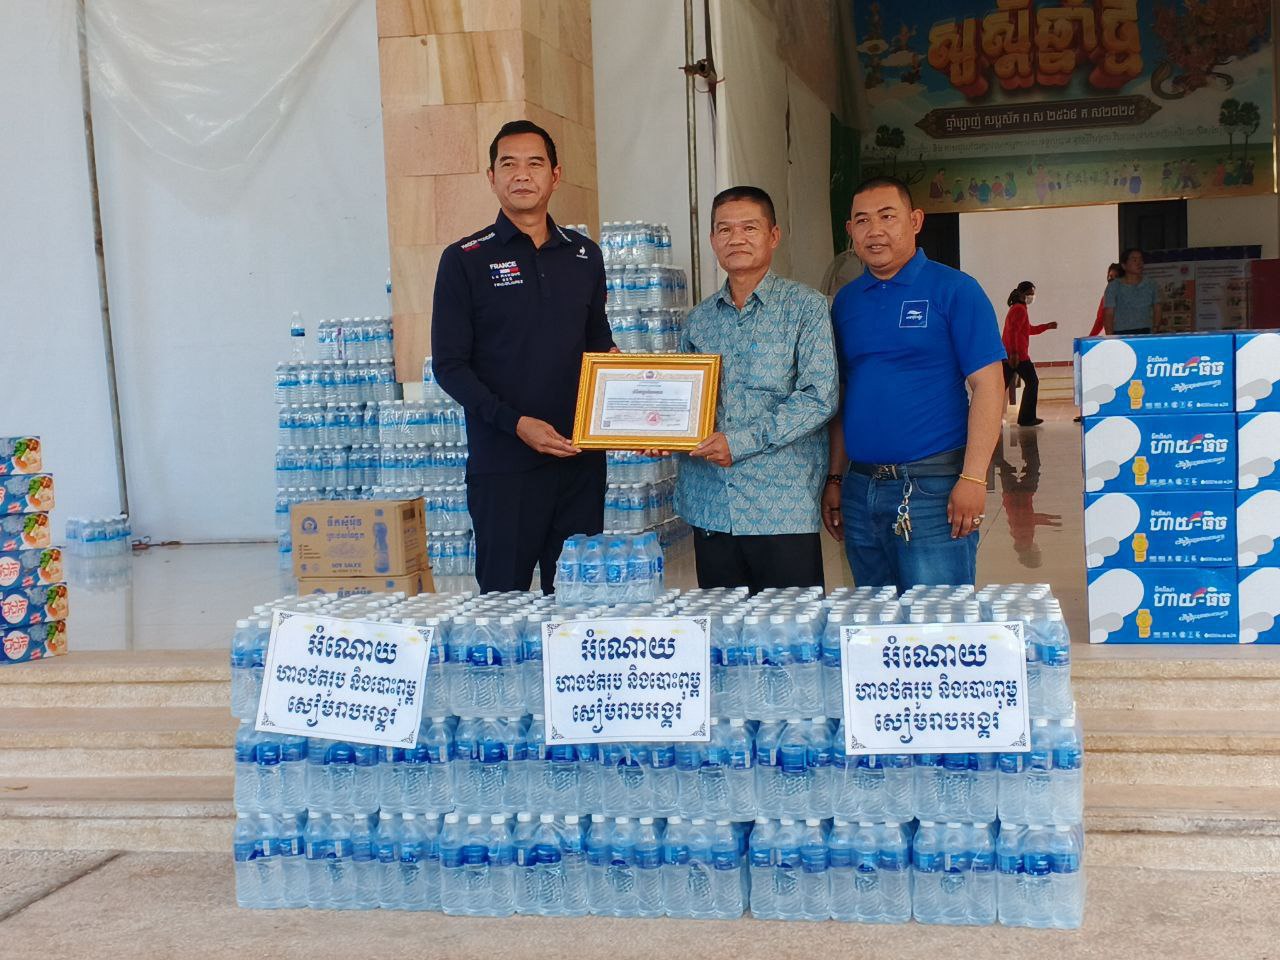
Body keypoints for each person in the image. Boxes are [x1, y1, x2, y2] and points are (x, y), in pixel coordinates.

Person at [431, 120, 615, 593]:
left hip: (579, 461)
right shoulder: (465, 259)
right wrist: (516, 424)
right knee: (502, 602)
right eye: (508, 164)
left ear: (556, 175)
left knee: (577, 602)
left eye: (535, 163)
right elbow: (449, 366)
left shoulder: (584, 255)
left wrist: (637, 403)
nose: (522, 174)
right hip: (504, 466)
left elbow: (600, 345)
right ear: (491, 177)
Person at [823, 176, 1006, 591]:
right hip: (861, 489)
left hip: (933, 488)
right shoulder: (847, 302)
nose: (875, 230)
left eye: (888, 217)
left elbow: (989, 386)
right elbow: (843, 396)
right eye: (862, 221)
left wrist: (974, 478)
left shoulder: (955, 290)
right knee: (873, 621)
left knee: (935, 623)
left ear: (916, 220)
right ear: (850, 231)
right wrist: (835, 479)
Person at [674, 186, 838, 593]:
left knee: (791, 626)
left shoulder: (806, 307)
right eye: (724, 229)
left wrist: (739, 442)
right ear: (712, 239)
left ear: (773, 235)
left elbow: (819, 397)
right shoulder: (698, 320)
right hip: (711, 504)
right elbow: (684, 403)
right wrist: (662, 435)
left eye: (749, 228)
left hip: (781, 507)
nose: (736, 238)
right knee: (724, 626)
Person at [1002, 281, 1058, 427]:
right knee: (1032, 382)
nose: (1031, 297)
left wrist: (1046, 326)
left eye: (1032, 294)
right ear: (1021, 293)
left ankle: (990, 416)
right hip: (1018, 356)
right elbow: (1013, 332)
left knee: (1002, 386)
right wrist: (1014, 353)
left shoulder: (1018, 308)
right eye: (1029, 294)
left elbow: (1028, 330)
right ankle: (1026, 418)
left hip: (1011, 354)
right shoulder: (1019, 309)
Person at [1103, 247, 1162, 335]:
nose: (1139, 263)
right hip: (1120, 333)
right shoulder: (1114, 286)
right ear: (1124, 265)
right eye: (1134, 260)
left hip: (1146, 331)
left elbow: (1157, 307)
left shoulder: (1151, 284)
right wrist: (1110, 335)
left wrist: (1155, 328)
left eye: (1141, 260)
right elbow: (1109, 313)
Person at [1087, 262, 1124, 336]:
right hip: (1112, 337)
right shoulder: (1106, 298)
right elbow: (1100, 320)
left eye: (1116, 276)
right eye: (1110, 276)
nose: (1112, 279)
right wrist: (1090, 337)